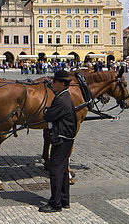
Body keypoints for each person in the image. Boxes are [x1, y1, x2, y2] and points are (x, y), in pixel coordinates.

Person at [39, 70, 76, 213]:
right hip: (65, 137)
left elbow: (48, 116)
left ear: (62, 83)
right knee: (63, 170)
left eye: (55, 81)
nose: (52, 83)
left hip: (61, 137)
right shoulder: (63, 95)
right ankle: (64, 200)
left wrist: (46, 112)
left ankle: (55, 203)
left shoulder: (61, 99)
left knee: (55, 170)